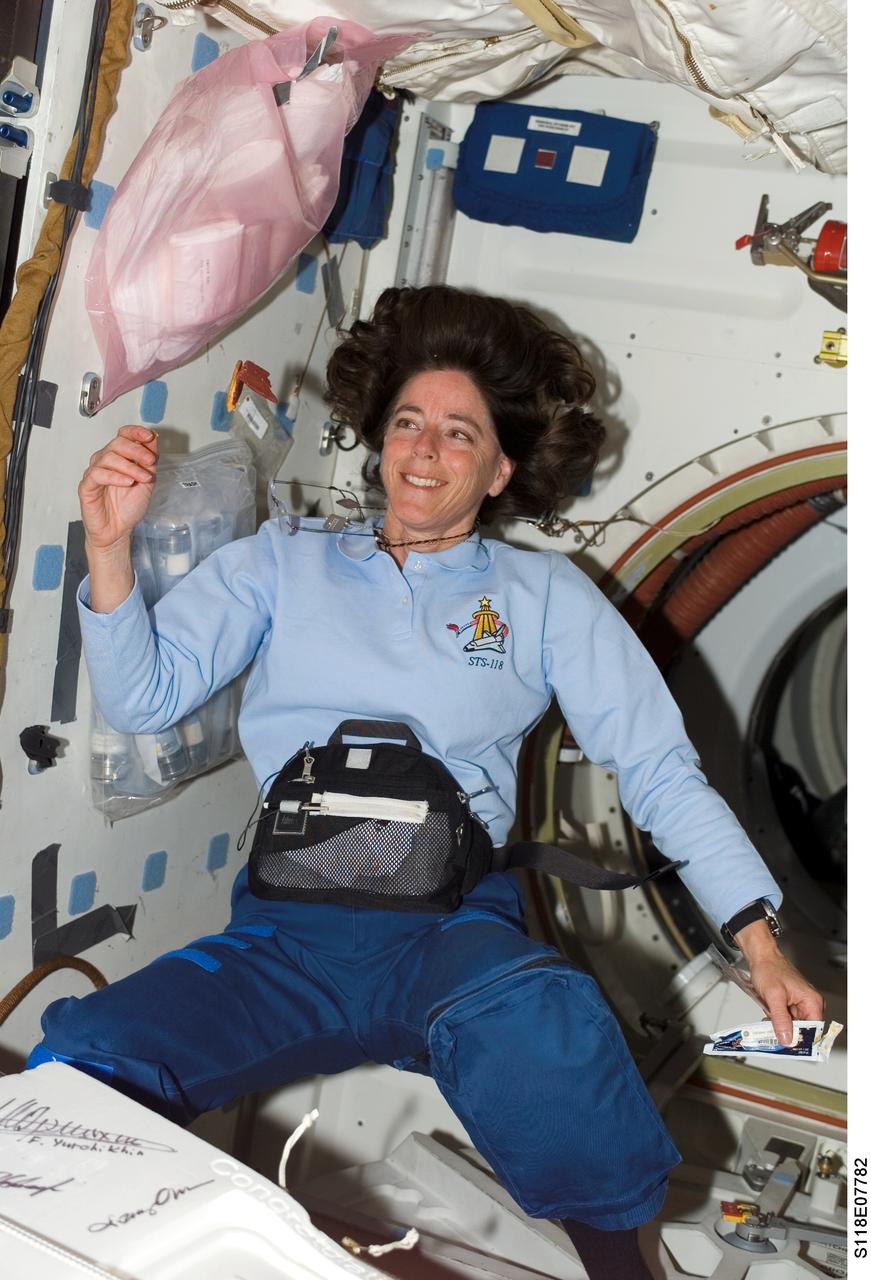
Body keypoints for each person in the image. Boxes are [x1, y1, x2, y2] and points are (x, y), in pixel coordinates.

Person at [29, 285, 822, 1279]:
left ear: (499, 468)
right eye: (407, 422)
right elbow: (146, 697)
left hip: (451, 936)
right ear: (378, 438)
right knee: (87, 1056)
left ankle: (630, 1267)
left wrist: (758, 938)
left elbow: (657, 767)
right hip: (284, 938)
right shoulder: (281, 563)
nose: (423, 448)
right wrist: (108, 549)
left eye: (457, 432)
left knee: (547, 1030)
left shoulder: (543, 598)